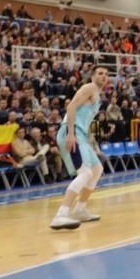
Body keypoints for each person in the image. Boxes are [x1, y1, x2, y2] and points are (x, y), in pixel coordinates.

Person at [50, 66, 110, 230]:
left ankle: (80, 210)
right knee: (86, 173)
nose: (103, 76)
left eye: (106, 74)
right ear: (92, 76)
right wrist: (71, 133)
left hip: (81, 135)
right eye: (100, 73)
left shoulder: (97, 95)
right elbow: (71, 107)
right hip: (72, 133)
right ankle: (60, 215)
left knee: (97, 169)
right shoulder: (89, 88)